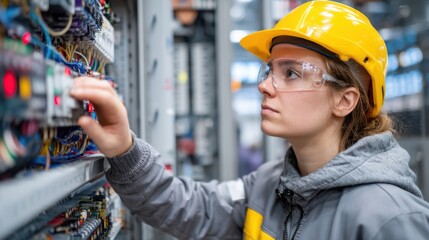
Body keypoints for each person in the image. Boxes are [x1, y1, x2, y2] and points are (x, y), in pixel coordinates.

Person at [70, 1, 429, 239]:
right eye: (270, 70)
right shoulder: (270, 185)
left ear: (345, 100)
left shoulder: (388, 217)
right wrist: (124, 149)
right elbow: (190, 206)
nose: (264, 86)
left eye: (291, 74)